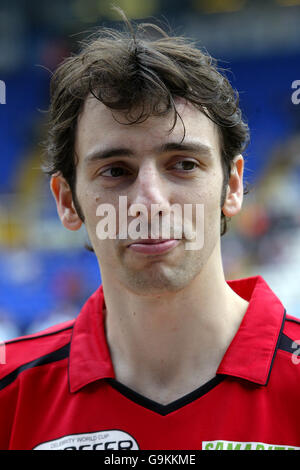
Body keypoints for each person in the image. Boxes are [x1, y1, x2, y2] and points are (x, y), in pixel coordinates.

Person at [1, 12, 300, 451]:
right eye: (115, 170)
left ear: (232, 186)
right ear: (67, 201)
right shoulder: (10, 394)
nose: (149, 201)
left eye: (183, 164)